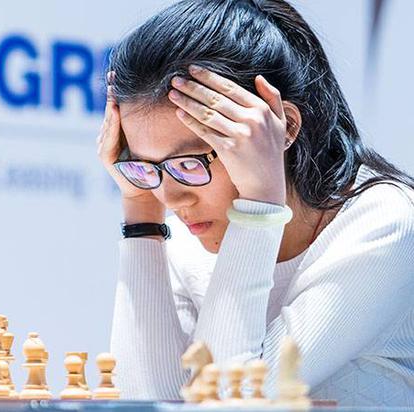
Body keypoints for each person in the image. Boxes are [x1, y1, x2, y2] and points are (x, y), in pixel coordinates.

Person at [96, 0, 414, 406]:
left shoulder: (384, 224)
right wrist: (140, 211)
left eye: (189, 163)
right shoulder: (185, 233)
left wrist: (260, 204)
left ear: (284, 128)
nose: (171, 197)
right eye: (147, 166)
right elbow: (148, 403)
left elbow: (231, 400)